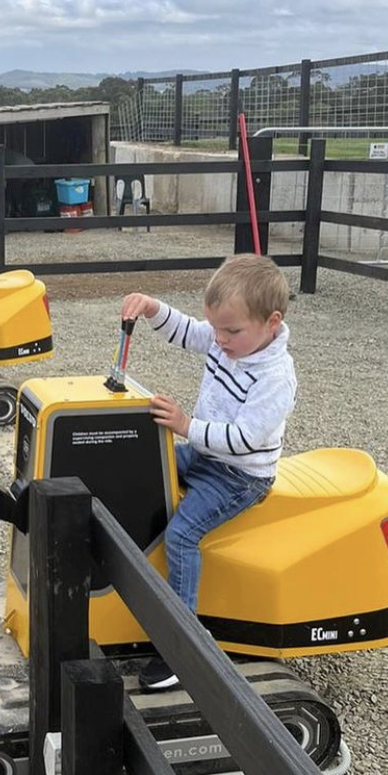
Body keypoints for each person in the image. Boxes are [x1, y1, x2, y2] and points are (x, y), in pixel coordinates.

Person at [120, 254, 296, 690]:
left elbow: (245, 440)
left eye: (230, 331)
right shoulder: (228, 339)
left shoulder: (276, 376)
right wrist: (152, 306)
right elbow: (187, 331)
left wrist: (185, 426)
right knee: (144, 469)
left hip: (239, 476)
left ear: (272, 322)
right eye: (216, 328)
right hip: (204, 454)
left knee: (183, 535)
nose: (219, 339)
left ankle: (183, 647)